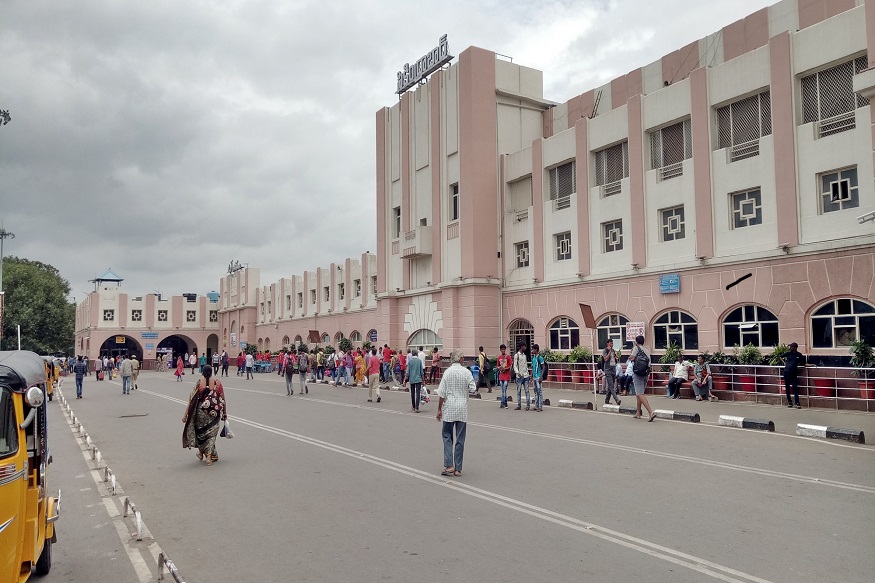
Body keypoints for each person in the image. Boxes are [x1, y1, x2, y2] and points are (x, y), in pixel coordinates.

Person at [436, 350, 474, 477]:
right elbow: (473, 388)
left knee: (447, 436)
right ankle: (458, 468)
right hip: (462, 409)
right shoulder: (467, 372)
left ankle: (449, 465)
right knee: (460, 439)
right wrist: (465, 392)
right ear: (461, 359)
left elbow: (441, 393)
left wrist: (439, 409)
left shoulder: (447, 372)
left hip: (449, 409)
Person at [182, 365, 227, 466]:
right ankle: (209, 458)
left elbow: (191, 400)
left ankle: (201, 453)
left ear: (202, 372)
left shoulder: (199, 383)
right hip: (214, 413)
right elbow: (223, 399)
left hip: (200, 413)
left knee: (201, 434)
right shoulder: (218, 383)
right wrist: (225, 413)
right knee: (211, 436)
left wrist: (185, 415)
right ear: (212, 373)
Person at [629, 335, 656, 421]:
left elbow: (632, 358)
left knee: (640, 394)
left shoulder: (636, 348)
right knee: (639, 394)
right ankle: (638, 413)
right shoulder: (646, 350)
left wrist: (631, 356)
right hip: (646, 373)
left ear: (636, 342)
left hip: (638, 373)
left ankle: (650, 412)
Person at [783, 342, 806, 409]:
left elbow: (803, 364)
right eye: (790, 347)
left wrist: (811, 365)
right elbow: (780, 356)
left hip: (794, 373)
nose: (790, 348)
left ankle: (797, 403)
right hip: (786, 372)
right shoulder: (788, 354)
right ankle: (789, 402)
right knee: (787, 388)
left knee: (795, 388)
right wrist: (785, 363)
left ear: (795, 347)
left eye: (792, 347)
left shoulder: (799, 355)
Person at [602, 339, 621, 406]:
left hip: (613, 369)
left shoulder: (613, 351)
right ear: (608, 344)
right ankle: (617, 400)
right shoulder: (605, 350)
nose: (611, 345)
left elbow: (616, 359)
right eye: (610, 343)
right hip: (608, 370)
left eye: (612, 343)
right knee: (611, 386)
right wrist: (609, 352)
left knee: (610, 386)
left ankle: (607, 400)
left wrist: (616, 357)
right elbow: (605, 359)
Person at [513, 343, 531, 410]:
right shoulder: (516, 355)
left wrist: (528, 374)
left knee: (527, 391)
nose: (525, 348)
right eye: (524, 346)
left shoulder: (524, 356)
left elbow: (526, 366)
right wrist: (517, 372)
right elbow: (514, 365)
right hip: (519, 376)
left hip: (525, 376)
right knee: (518, 391)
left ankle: (528, 405)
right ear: (521, 347)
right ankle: (519, 405)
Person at [407, 348, 424, 412]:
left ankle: (413, 406)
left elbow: (407, 372)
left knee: (412, 393)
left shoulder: (410, 361)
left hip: (412, 379)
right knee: (418, 393)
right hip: (418, 379)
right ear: (417, 354)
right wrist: (423, 380)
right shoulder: (419, 361)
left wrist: (405, 379)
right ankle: (417, 407)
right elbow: (422, 372)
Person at [530, 344, 546, 412]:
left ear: (536, 350)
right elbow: (533, 368)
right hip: (535, 377)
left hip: (538, 377)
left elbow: (544, 367)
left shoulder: (540, 358)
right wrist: (531, 376)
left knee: (540, 392)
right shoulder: (534, 358)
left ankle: (540, 406)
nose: (532, 350)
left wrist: (541, 376)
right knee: (536, 392)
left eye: (533, 349)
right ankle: (536, 406)